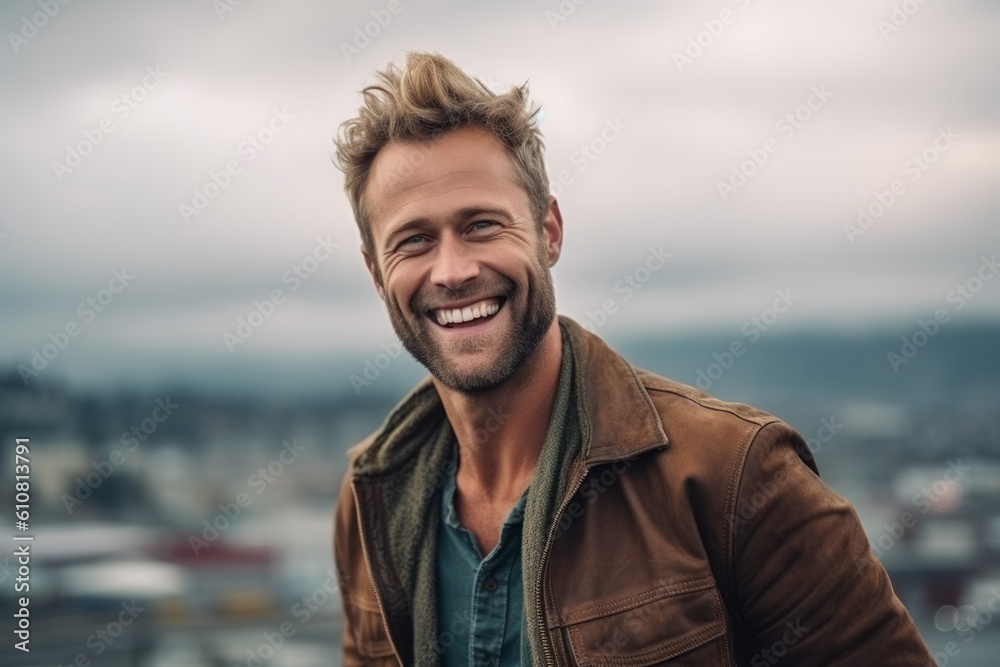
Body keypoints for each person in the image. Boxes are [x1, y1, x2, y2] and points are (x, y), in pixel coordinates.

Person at [330, 51, 934, 666]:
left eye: (483, 225)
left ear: (550, 232)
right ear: (376, 272)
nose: (454, 271)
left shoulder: (734, 476)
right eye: (415, 241)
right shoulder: (372, 498)